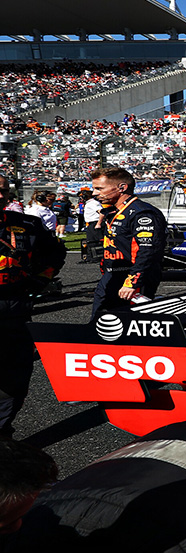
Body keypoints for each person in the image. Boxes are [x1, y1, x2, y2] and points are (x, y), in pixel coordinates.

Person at [0, 177, 65, 438]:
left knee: (15, 372)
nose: (0, 195)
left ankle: (2, 433)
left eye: (3, 190)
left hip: (15, 307)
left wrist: (41, 279)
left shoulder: (27, 224)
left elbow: (55, 253)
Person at [91, 166, 165, 318]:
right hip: (112, 276)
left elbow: (148, 251)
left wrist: (132, 282)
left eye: (99, 188)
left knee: (132, 326)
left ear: (122, 187)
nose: (94, 193)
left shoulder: (142, 213)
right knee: (100, 323)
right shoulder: (115, 211)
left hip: (132, 280)